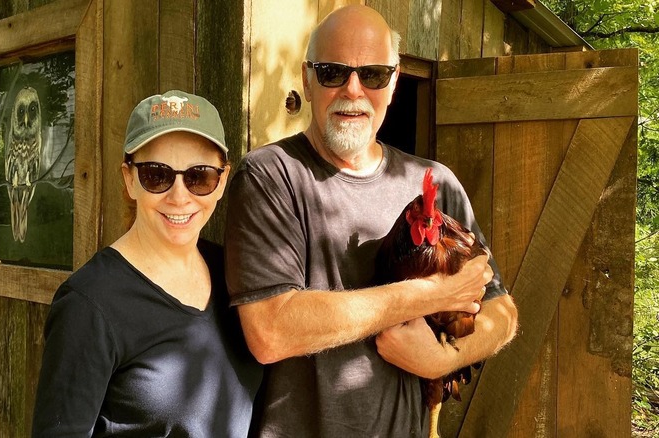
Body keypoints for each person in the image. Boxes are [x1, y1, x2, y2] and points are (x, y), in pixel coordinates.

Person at [224, 5, 518, 437]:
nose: (353, 90)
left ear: (394, 82)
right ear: (307, 79)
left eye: (374, 75)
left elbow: (503, 310)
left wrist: (444, 359)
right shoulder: (271, 176)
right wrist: (430, 294)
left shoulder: (434, 183)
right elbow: (270, 330)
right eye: (332, 72)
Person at [32, 90, 262, 437]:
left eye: (199, 176)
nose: (179, 196)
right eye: (157, 174)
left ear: (222, 181)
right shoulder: (89, 303)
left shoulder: (234, 273)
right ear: (129, 179)